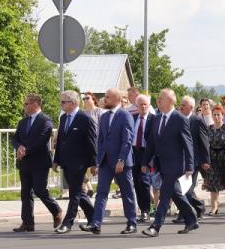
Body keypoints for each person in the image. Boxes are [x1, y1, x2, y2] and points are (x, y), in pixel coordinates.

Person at [81, 88, 138, 234]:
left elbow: (127, 140)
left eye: (107, 97)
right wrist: (97, 161)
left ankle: (132, 223)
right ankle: (96, 224)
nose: (104, 99)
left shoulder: (125, 115)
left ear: (117, 99)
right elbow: (101, 140)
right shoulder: (105, 116)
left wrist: (121, 160)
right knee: (101, 192)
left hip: (121, 163)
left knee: (127, 192)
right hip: (106, 161)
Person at [141, 89, 197, 237]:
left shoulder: (180, 119)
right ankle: (192, 220)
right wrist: (145, 162)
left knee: (165, 195)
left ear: (171, 101)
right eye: (158, 98)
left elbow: (188, 143)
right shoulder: (156, 118)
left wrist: (190, 166)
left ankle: (155, 227)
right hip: (162, 164)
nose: (158, 100)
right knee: (176, 194)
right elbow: (151, 143)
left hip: (176, 165)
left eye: (161, 98)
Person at [12, 94, 62, 232]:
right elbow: (15, 138)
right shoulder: (23, 121)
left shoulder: (45, 120)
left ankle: (56, 210)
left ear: (35, 104)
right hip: (25, 162)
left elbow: (41, 140)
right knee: (25, 193)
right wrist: (19, 147)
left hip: (39, 162)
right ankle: (27, 222)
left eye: (26, 104)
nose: (24, 106)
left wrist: (26, 151)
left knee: (40, 190)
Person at [52, 90, 96, 234]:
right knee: (78, 192)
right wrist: (56, 160)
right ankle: (95, 218)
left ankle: (68, 223)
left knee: (74, 193)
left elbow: (91, 142)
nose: (61, 104)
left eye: (63, 102)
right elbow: (60, 141)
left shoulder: (85, 118)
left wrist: (94, 163)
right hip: (66, 161)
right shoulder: (64, 118)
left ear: (73, 103)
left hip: (79, 162)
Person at [178, 96, 210, 221]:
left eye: (183, 105)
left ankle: (196, 208)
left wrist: (205, 160)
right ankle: (194, 209)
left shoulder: (197, 121)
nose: (180, 107)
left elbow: (204, 141)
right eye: (180, 104)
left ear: (190, 107)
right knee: (181, 189)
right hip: (180, 160)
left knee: (187, 189)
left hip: (194, 161)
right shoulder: (178, 119)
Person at [131, 94, 154, 223]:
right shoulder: (132, 118)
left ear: (149, 105)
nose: (144, 107)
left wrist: (150, 159)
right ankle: (142, 209)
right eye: (141, 105)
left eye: (146, 104)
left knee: (144, 182)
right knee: (137, 183)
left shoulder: (153, 119)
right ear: (137, 106)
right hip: (133, 153)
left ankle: (146, 210)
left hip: (147, 152)